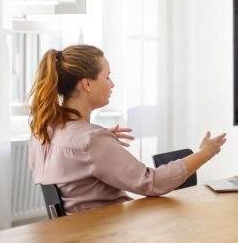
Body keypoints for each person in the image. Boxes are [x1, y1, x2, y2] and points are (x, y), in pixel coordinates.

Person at [28, 45, 227, 214]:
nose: (112, 84)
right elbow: (152, 183)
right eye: (107, 77)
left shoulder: (42, 131)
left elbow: (71, 169)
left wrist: (101, 144)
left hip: (77, 239)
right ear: (87, 84)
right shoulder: (90, 141)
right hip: (110, 239)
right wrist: (205, 153)